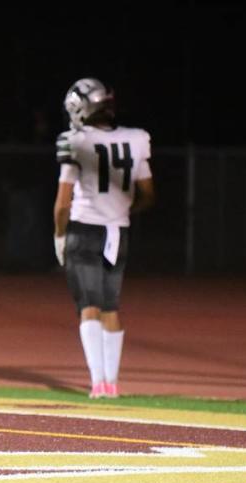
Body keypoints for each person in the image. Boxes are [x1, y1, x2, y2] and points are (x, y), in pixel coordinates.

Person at [53, 78, 155, 399]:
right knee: (111, 306)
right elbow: (149, 195)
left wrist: (59, 234)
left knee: (88, 307)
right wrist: (121, 210)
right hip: (118, 231)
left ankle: (98, 383)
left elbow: (63, 201)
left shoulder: (76, 141)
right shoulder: (136, 139)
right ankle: (112, 384)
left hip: (84, 230)